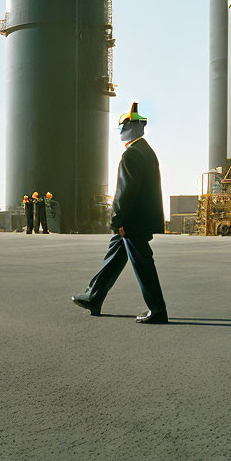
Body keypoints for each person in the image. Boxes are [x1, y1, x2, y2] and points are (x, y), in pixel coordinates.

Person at [71, 102, 168, 324]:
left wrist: (117, 219)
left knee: (143, 265)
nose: (121, 131)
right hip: (139, 220)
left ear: (129, 127)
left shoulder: (132, 154)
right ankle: (93, 297)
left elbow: (125, 192)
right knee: (114, 257)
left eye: (123, 126)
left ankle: (158, 310)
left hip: (132, 222)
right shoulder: (147, 151)